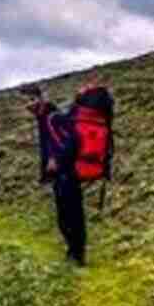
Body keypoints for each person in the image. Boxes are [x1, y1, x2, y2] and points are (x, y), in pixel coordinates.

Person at [20, 78, 114, 265]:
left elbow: (68, 137)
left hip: (67, 172)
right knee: (68, 215)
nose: (27, 104)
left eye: (30, 99)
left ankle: (76, 257)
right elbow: (56, 136)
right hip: (67, 172)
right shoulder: (53, 116)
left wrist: (57, 160)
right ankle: (74, 254)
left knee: (70, 216)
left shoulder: (63, 116)